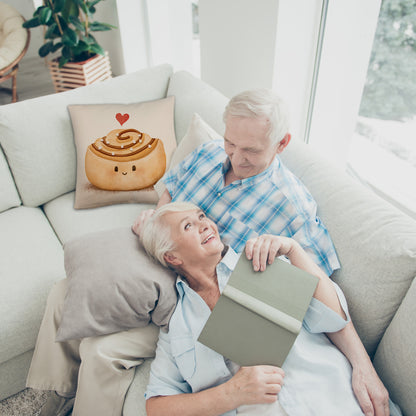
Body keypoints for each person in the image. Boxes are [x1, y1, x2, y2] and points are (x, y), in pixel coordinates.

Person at [133, 89, 389, 414]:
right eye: (231, 143)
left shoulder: (288, 218)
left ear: (281, 144)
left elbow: (322, 301)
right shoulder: (209, 154)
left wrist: (363, 366)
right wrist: (158, 225)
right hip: (169, 288)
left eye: (250, 150)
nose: (236, 158)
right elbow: (171, 189)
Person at [140, 202, 398, 416]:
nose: (205, 224)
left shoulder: (261, 261)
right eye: (188, 226)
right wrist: (231, 393)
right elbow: (157, 407)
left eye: (201, 216)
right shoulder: (177, 326)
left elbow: (333, 318)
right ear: (172, 257)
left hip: (338, 401)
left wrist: (294, 250)